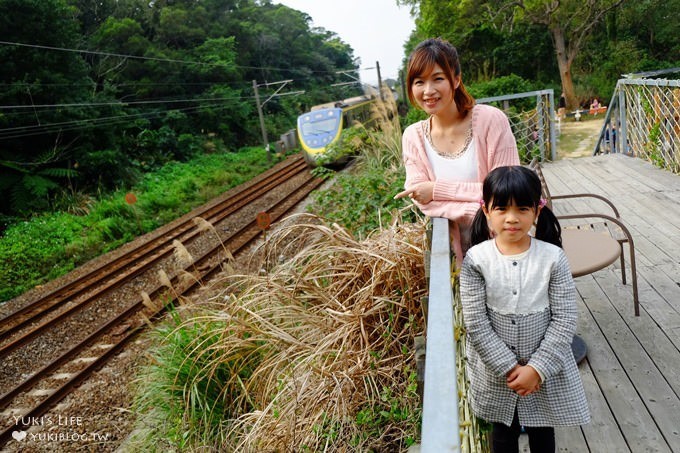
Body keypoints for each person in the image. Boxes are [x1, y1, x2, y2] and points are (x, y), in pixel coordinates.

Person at [460, 166, 590, 453]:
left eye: (522, 208)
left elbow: (565, 317)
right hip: (497, 373)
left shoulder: (553, 258)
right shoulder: (476, 260)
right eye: (502, 208)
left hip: (544, 371)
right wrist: (509, 366)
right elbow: (476, 323)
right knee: (502, 434)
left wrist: (537, 368)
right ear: (486, 209)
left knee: (543, 431)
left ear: (537, 210)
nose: (512, 218)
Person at [394, 38, 519, 266]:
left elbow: (508, 192)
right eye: (419, 82)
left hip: (510, 249)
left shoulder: (490, 121)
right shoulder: (413, 137)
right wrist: (482, 210)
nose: (428, 91)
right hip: (461, 261)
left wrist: (437, 190)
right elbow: (423, 201)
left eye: (438, 79)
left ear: (456, 80)